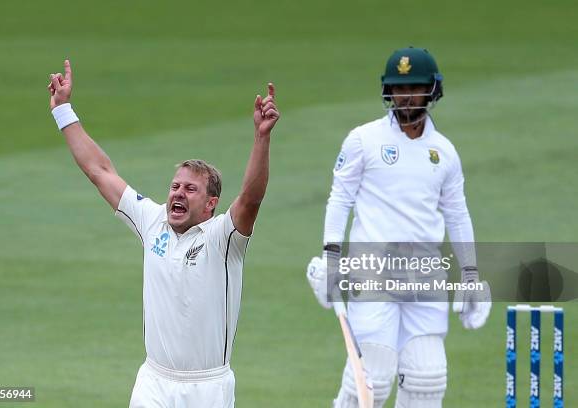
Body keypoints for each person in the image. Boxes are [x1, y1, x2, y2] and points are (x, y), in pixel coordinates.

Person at [47, 60, 280, 408]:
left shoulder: (223, 238)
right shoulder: (151, 220)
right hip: (154, 381)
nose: (177, 194)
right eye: (175, 186)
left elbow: (251, 197)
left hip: (208, 388)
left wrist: (262, 137)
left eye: (190, 189)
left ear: (210, 204)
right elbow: (99, 170)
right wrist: (63, 110)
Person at [306, 47, 491, 408]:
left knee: (427, 379)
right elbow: (340, 198)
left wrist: (470, 274)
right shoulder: (364, 140)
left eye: (415, 87)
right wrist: (331, 255)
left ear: (432, 90)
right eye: (398, 88)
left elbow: (457, 214)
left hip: (425, 276)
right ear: (387, 91)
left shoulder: (444, 152)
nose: (405, 96)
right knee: (371, 379)